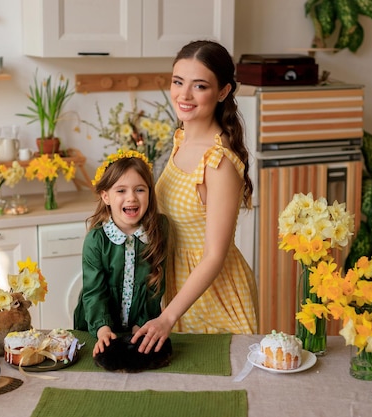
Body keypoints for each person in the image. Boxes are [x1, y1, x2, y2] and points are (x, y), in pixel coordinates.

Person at [132, 40, 258, 353]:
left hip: (216, 297)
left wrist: (167, 316)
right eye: (178, 82)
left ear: (223, 92)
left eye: (199, 86)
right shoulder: (181, 141)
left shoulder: (219, 164)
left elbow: (215, 254)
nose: (184, 95)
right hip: (181, 294)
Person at [73, 150, 169, 356]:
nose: (131, 198)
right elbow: (94, 292)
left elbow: (156, 284)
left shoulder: (158, 230)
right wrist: (103, 329)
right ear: (105, 196)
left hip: (140, 327)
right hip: (98, 328)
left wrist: (140, 325)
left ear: (150, 193)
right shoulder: (96, 240)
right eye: (121, 191)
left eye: (140, 190)